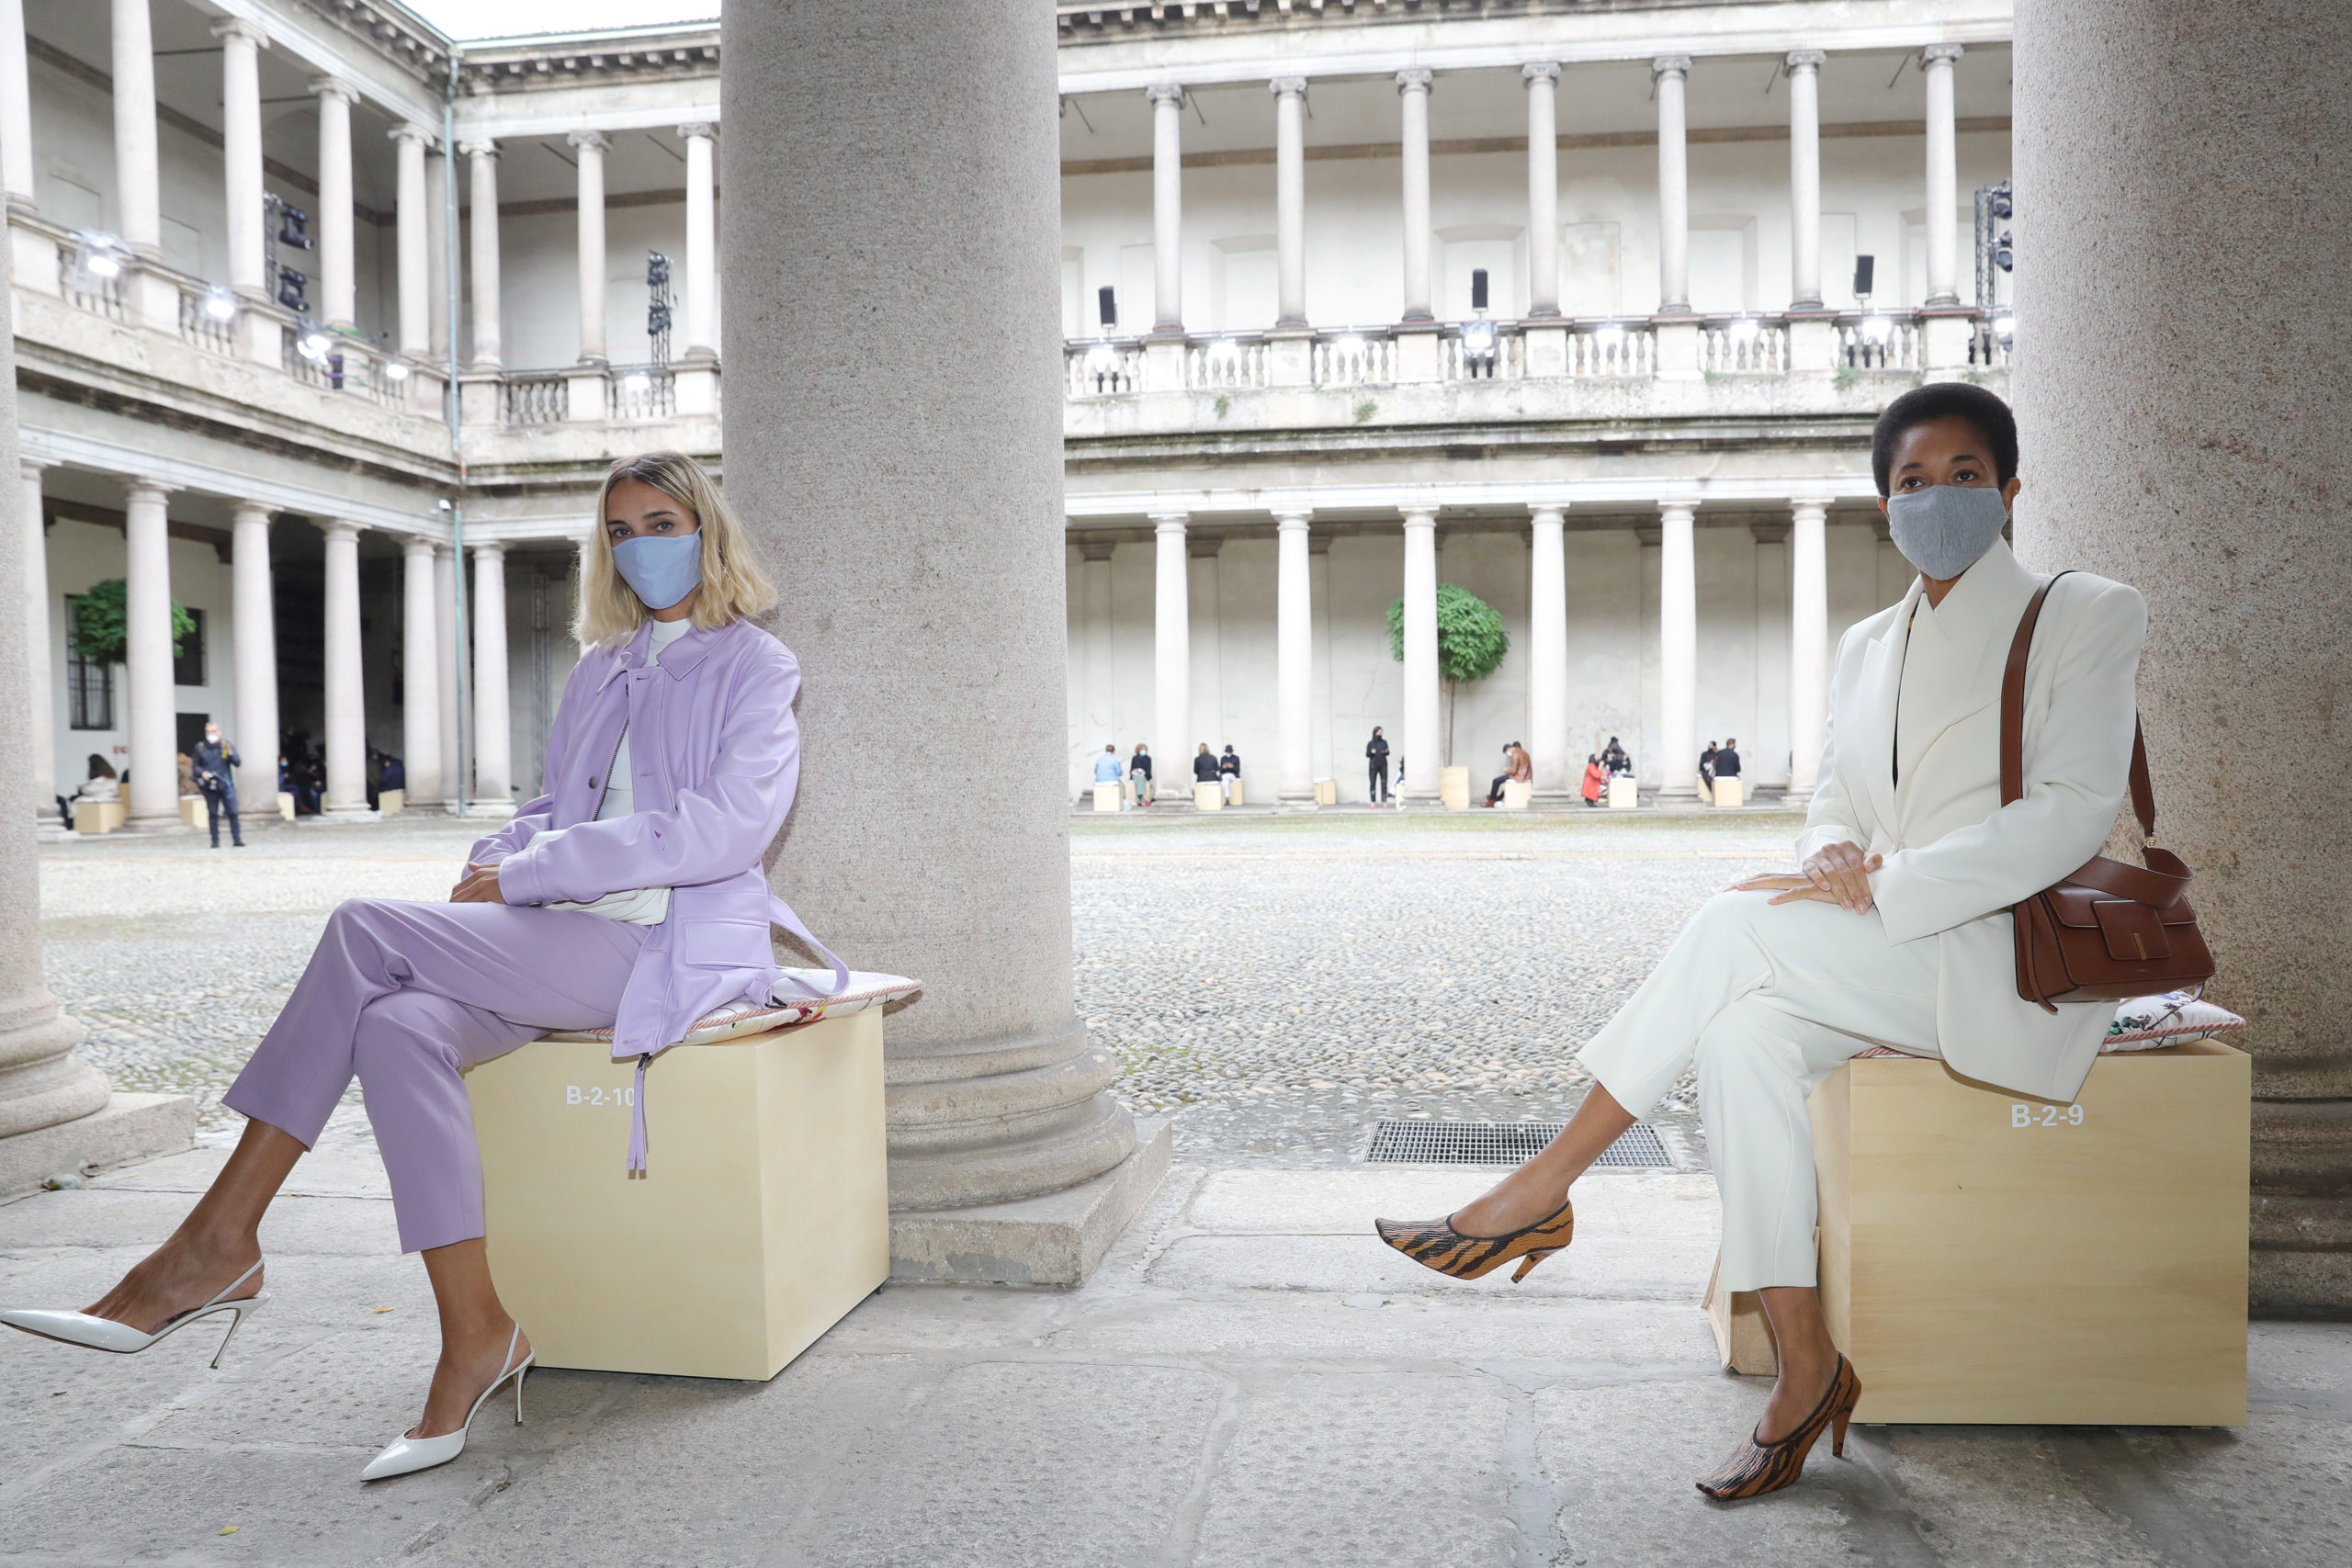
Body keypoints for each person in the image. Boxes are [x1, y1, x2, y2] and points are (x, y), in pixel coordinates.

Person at [2, 450, 834, 1484]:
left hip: (663, 945)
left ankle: (215, 1243)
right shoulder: (601, 666)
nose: (640, 548)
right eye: (620, 532)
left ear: (707, 531)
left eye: (661, 524)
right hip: (558, 937)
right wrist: (499, 854)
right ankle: (476, 1331)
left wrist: (530, 871)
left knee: (364, 929)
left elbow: (726, 829)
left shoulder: (759, 666)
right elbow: (554, 806)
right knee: (396, 1028)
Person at [1375, 384, 2145, 1500]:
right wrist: (1831, 853)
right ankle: (1806, 1364)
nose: (1937, 498)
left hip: (2006, 958)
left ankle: (1545, 1184)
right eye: (1913, 481)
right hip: (1886, 949)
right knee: (1738, 1036)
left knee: (1735, 923)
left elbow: (2072, 811)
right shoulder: (1867, 645)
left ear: (2010, 490)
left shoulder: (2086, 613)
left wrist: (1884, 882)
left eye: (1965, 476)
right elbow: (1835, 797)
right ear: (1884, 505)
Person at [189, 723, 243, 849]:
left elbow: (237, 762)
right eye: (208, 731)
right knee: (213, 813)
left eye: (213, 731)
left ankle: (237, 839)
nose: (211, 734)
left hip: (225, 783)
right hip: (209, 785)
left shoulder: (226, 746)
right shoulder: (200, 747)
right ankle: (215, 841)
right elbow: (195, 766)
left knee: (233, 812)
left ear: (219, 732)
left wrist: (230, 753)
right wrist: (202, 773)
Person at [1486, 741, 1532, 806]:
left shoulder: (1515, 754)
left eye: (1506, 753)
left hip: (1519, 777)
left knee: (1496, 781)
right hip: (1525, 776)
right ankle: (1495, 798)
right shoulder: (1524, 752)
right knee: (1504, 780)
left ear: (1508, 749)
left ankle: (1492, 800)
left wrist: (1506, 770)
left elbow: (1513, 771)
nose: (1507, 755)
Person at [1091, 743, 1124, 808]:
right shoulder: (1115, 760)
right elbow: (1119, 772)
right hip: (1112, 781)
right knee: (1123, 786)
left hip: (1100, 781)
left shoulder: (1099, 760)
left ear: (1106, 750)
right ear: (1113, 751)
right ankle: (1121, 804)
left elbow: (1095, 771)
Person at [1365, 727, 1391, 805]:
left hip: (1383, 764)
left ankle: (1384, 801)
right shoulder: (1370, 743)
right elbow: (1367, 754)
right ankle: (1373, 801)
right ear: (1375, 732)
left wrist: (1386, 752)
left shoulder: (1384, 742)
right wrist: (1371, 752)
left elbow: (1388, 752)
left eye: (1381, 732)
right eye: (1379, 732)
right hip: (1373, 765)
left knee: (1384, 783)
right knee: (1372, 783)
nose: (1380, 734)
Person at [1128, 741, 1154, 807]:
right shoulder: (1135, 758)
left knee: (1140, 780)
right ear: (1138, 750)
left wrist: (1143, 773)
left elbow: (1149, 769)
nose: (1144, 751)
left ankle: (1139, 800)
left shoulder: (1148, 758)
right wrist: (1136, 770)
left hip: (1144, 775)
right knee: (1139, 779)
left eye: (1145, 749)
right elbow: (1131, 769)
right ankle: (1145, 799)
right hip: (1136, 775)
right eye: (1142, 749)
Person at [1698, 740, 1720, 804]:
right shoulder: (1704, 754)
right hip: (1706, 771)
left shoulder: (1717, 754)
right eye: (1709, 745)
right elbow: (1701, 765)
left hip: (1714, 771)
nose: (1710, 746)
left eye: (1711, 745)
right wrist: (1708, 763)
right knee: (1708, 778)